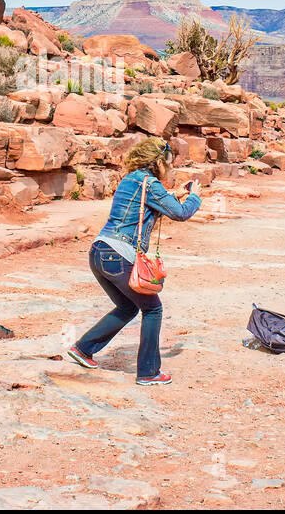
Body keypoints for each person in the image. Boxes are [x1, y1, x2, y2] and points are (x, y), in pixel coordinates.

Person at [67, 138, 201, 386]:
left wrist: (175, 195)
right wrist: (194, 197)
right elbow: (180, 213)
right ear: (158, 162)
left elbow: (151, 207)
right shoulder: (149, 183)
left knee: (128, 307)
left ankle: (83, 348)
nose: (170, 168)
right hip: (118, 254)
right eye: (168, 163)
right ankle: (149, 372)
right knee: (153, 309)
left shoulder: (132, 179)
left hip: (100, 252)